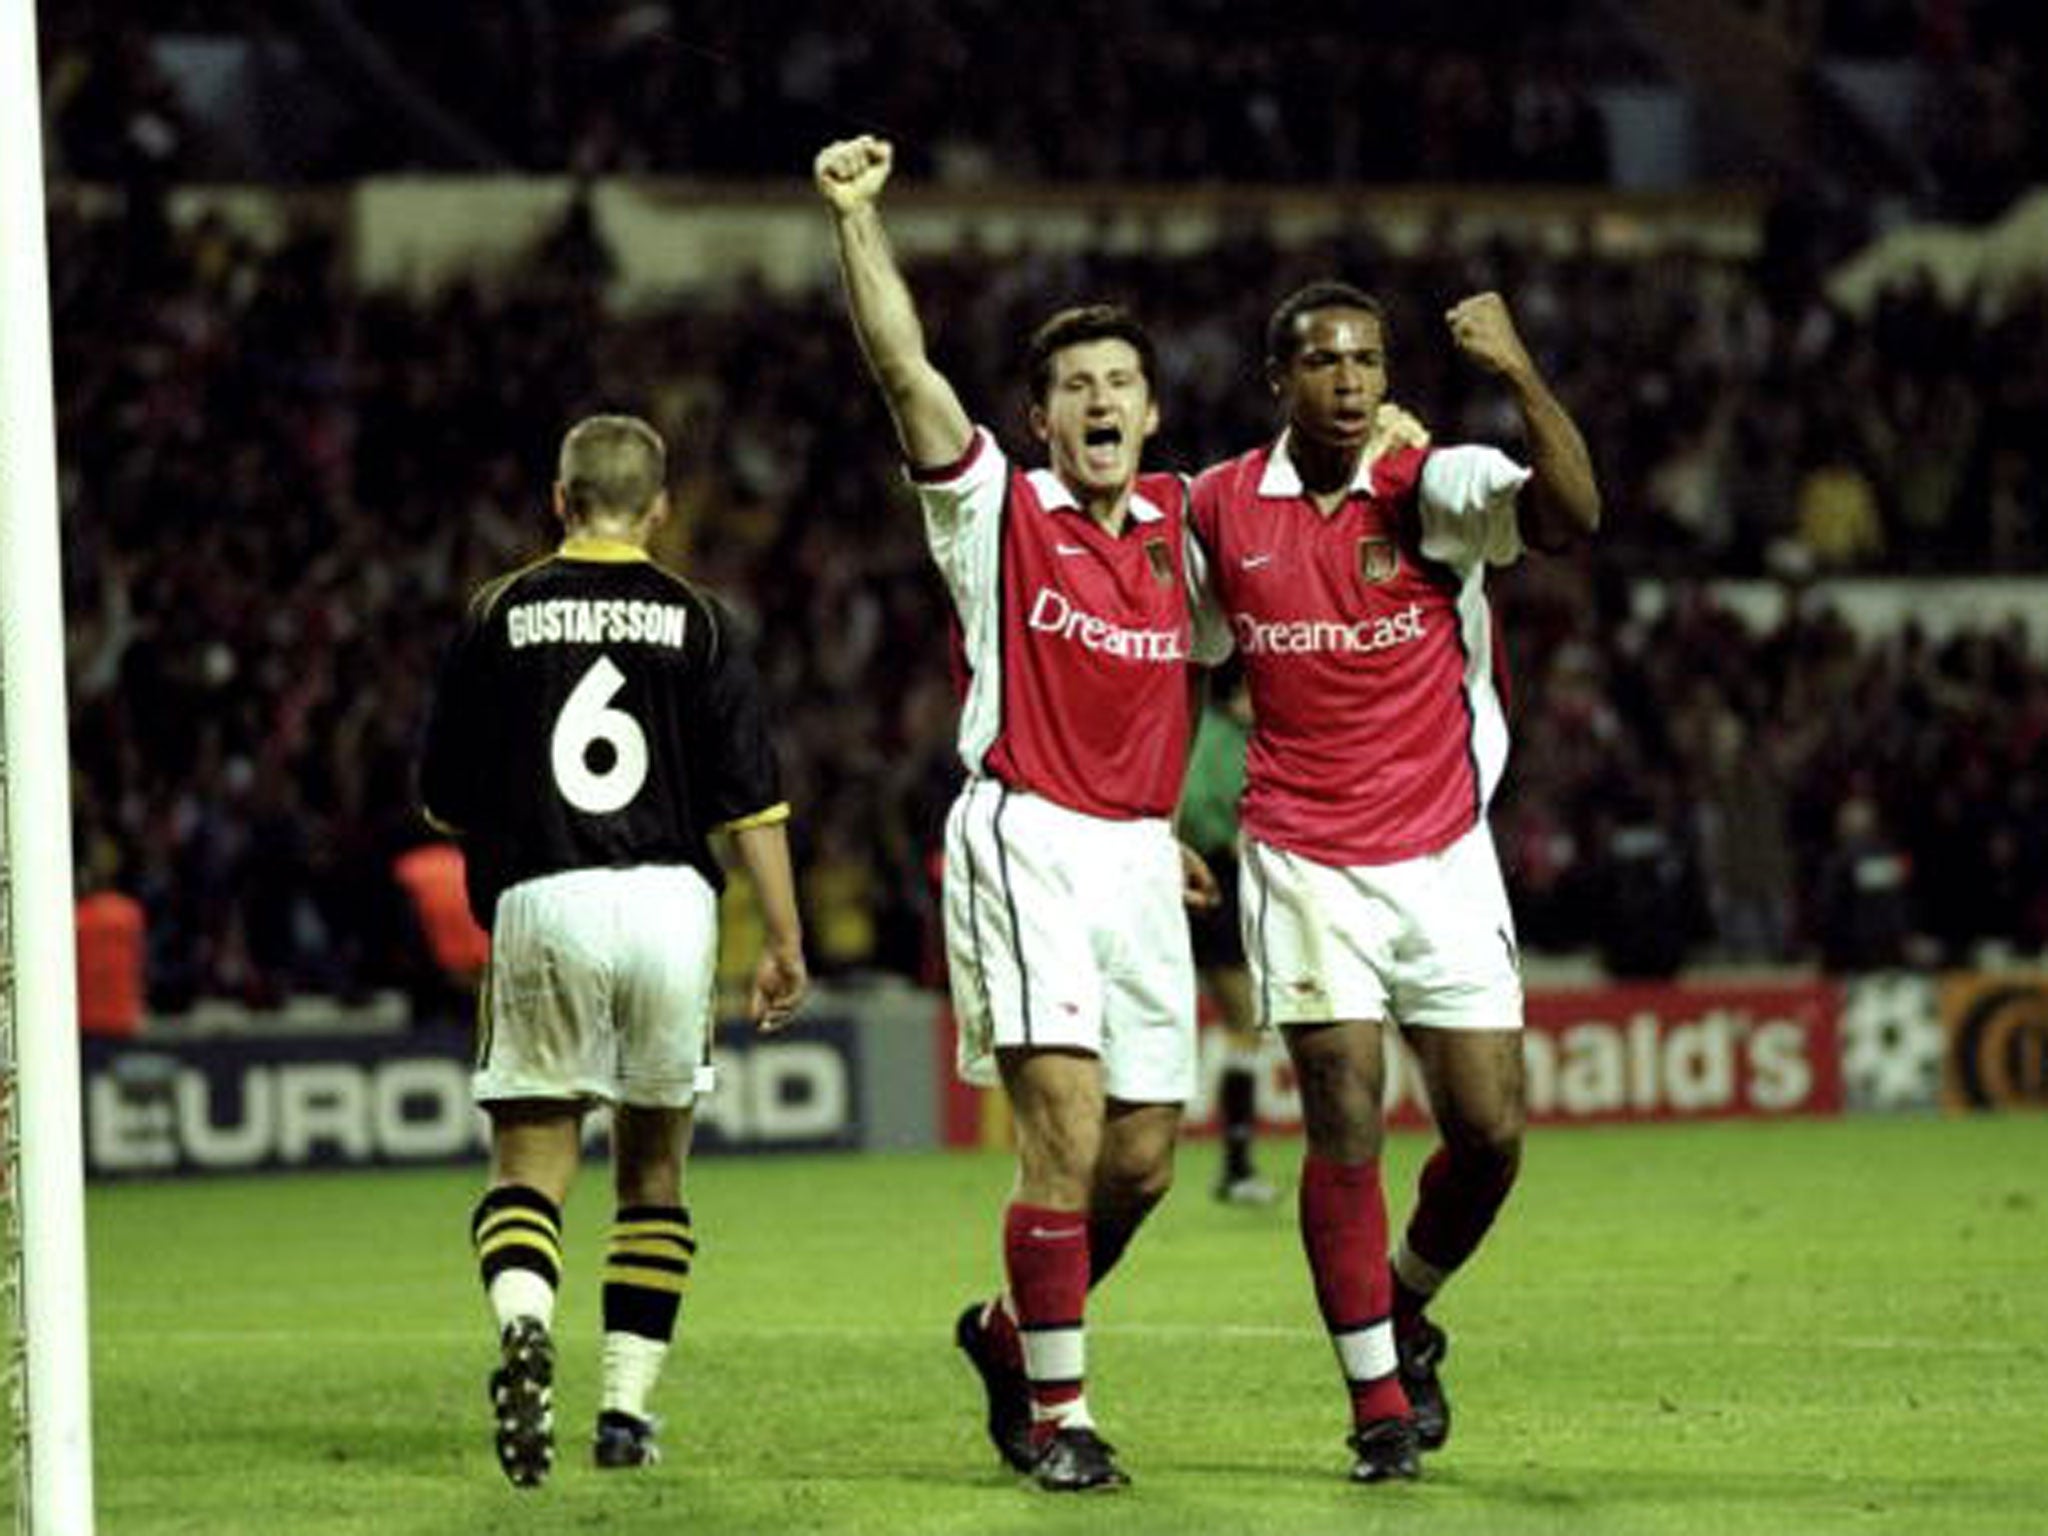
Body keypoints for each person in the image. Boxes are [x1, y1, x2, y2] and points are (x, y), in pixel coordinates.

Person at [815, 134, 1214, 1494]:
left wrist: (1395, 436)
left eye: (1121, 383)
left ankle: (1006, 1336)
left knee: (1148, 1161)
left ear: (1154, 413)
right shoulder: (997, 507)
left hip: (1137, 857)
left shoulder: (1182, 526)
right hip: (1026, 833)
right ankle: (1062, 1419)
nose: (1100, 402)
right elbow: (902, 371)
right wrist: (859, 220)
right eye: (1075, 388)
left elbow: (1315, 508)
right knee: (1066, 1128)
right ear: (1040, 419)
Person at [1189, 282, 1601, 1483]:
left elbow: (1571, 514)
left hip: (1438, 852)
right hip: (1300, 856)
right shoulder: (1221, 505)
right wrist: (1160, 812)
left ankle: (1404, 1309)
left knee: (1488, 1135)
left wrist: (1518, 372)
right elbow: (1183, 655)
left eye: (1367, 359)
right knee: (1344, 1117)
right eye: (1323, 361)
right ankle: (1373, 1400)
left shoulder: (1429, 482)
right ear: (1280, 378)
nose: (1351, 379)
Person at [418, 413, 808, 1489]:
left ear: (559, 500)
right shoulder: (702, 619)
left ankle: (524, 1321)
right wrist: (782, 936)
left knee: (531, 1166)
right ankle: (625, 1415)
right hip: (672, 907)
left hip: (547, 892)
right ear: (660, 507)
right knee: (654, 1173)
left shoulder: (496, 615)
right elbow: (752, 804)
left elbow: (446, 798)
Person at [1175, 663, 1277, 1205]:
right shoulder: (1220, 737)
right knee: (1243, 1021)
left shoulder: (1210, 731)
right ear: (1241, 693)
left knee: (1242, 1024)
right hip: (1212, 883)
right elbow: (1193, 805)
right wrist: (1229, 836)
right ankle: (1236, 1167)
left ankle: (1237, 1166)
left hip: (1200, 884)